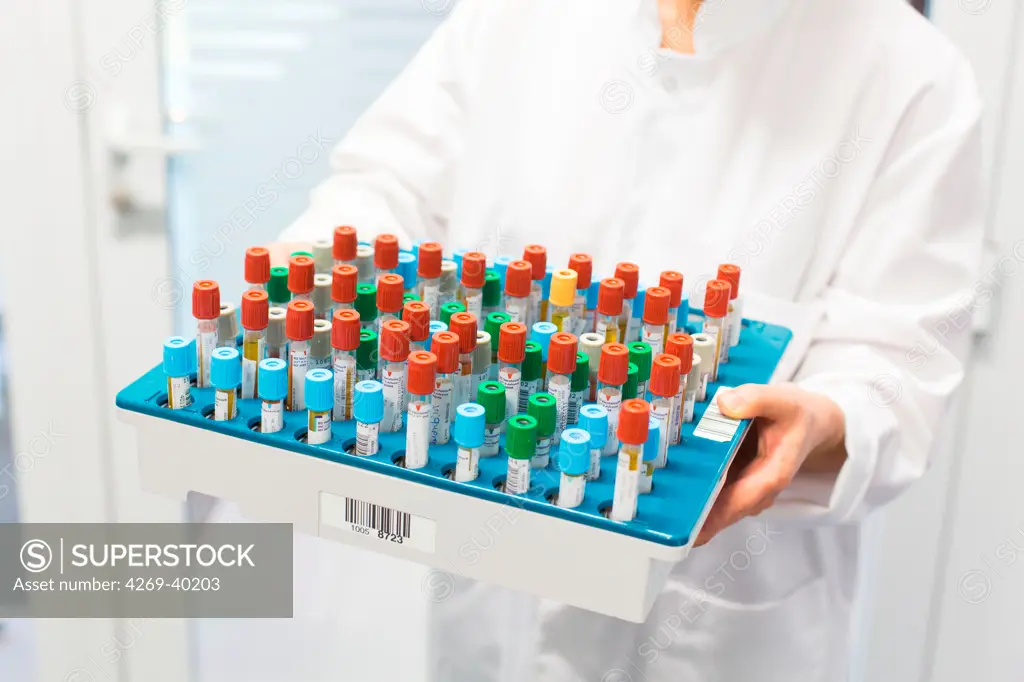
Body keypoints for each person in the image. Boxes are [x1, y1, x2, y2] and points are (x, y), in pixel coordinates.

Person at [277, 0, 984, 679]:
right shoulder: (514, 14)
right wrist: (316, 267)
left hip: (726, 623)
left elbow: (895, 364)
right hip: (494, 596)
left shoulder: (910, 74)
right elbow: (388, 186)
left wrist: (824, 421)